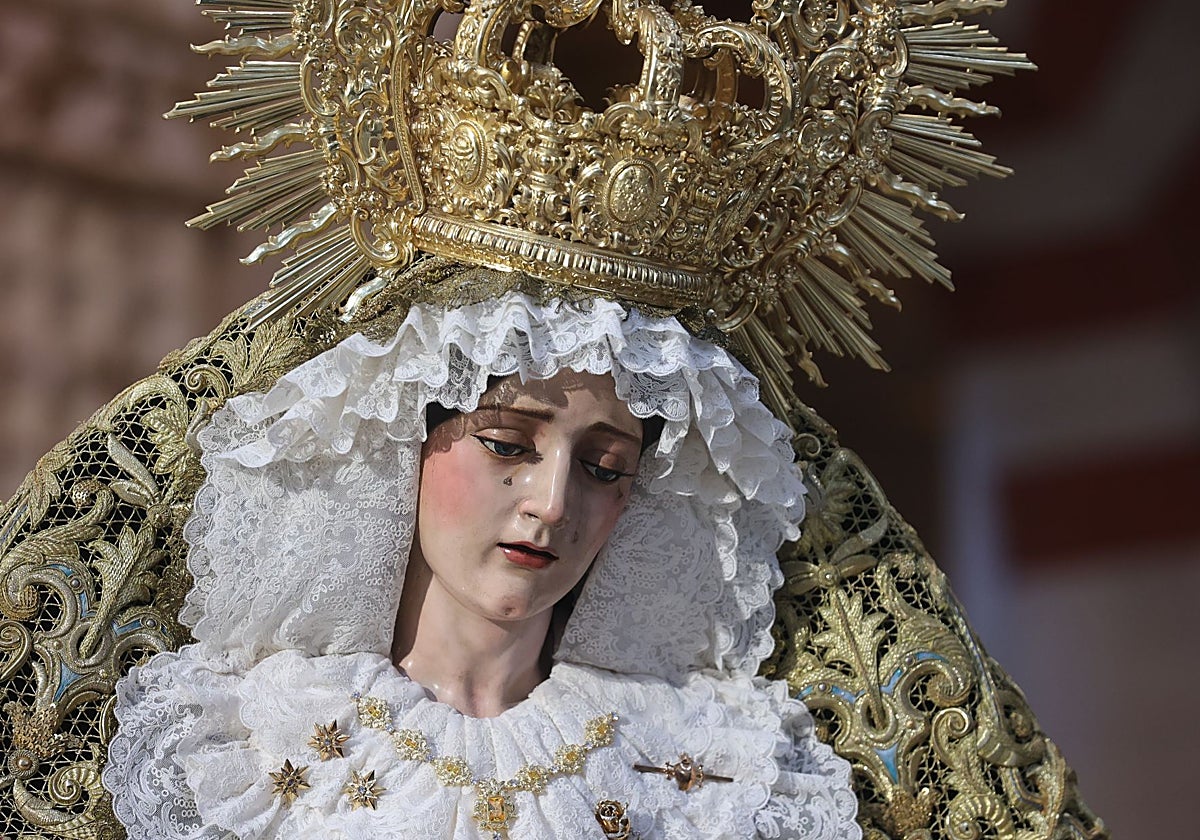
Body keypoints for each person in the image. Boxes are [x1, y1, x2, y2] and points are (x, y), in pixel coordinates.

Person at [100, 278, 863, 838]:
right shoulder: (248, 739)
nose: (553, 504)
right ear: (412, 444)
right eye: (506, 445)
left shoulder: (709, 768)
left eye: (604, 468)